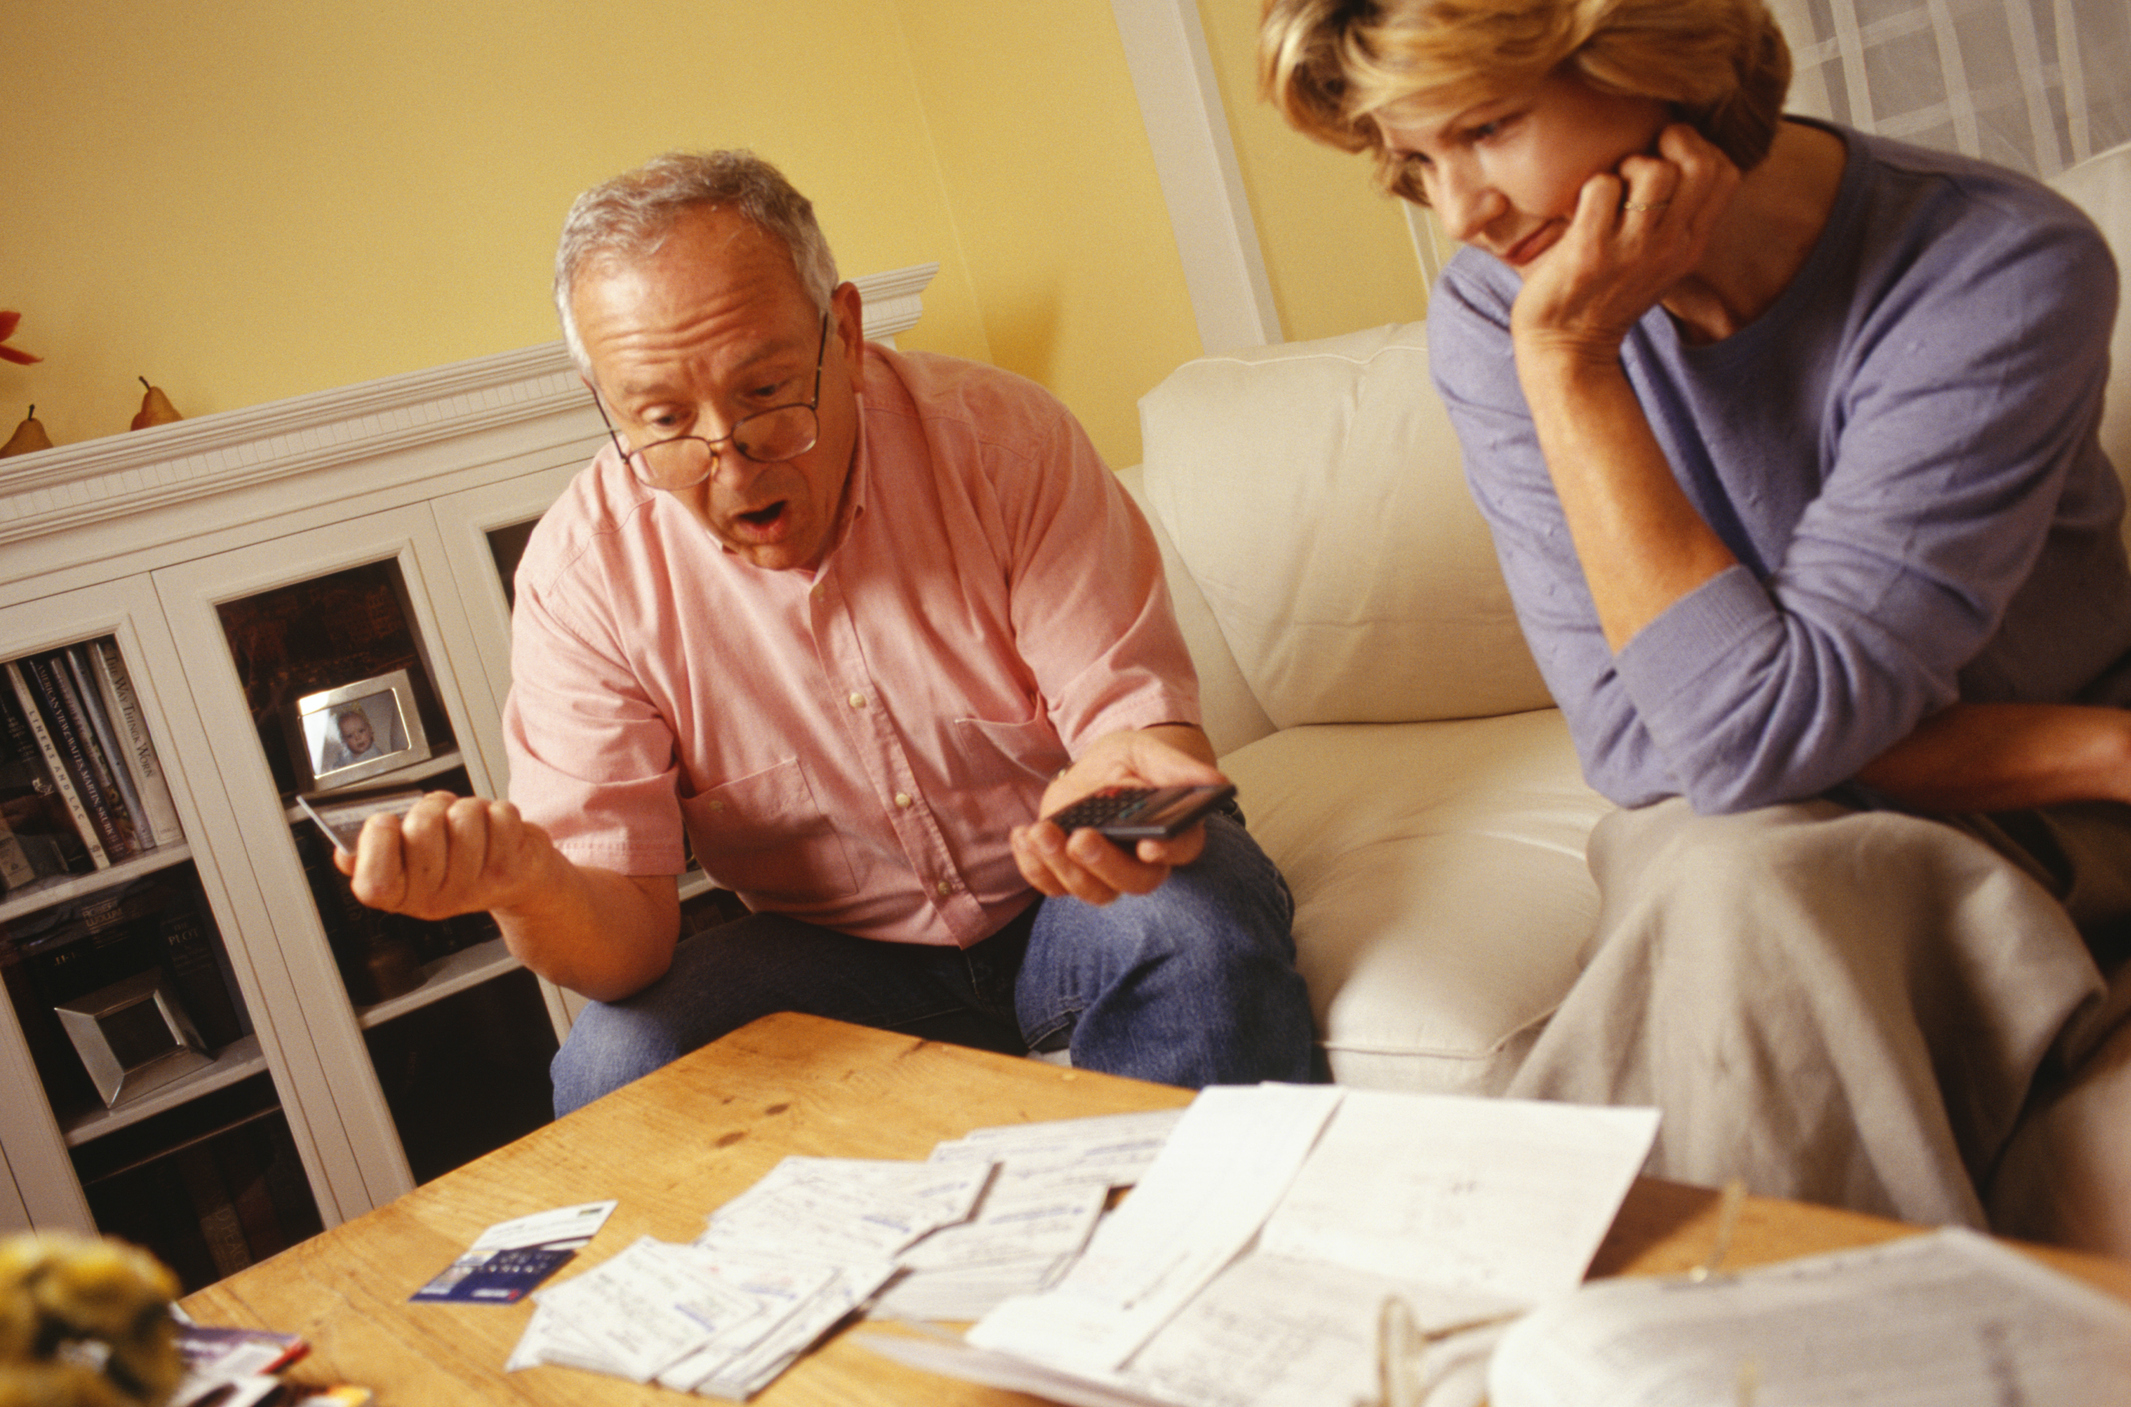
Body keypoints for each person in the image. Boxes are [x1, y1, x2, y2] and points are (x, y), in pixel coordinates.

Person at [1261, 0, 2131, 1249]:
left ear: (1654, 59)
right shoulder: (1499, 316)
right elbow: (1641, 745)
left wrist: (1568, 360)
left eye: (1489, 129)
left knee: (1746, 871)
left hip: (2019, 838)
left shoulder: (1992, 266)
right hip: (1816, 819)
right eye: (1415, 163)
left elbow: (1733, 745)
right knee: (1743, 861)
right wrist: (2094, 746)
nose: (1462, 215)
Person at [336, 150, 1314, 1113]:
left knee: (1191, 906)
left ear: (841, 331)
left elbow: (1136, 738)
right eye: (666, 420)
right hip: (842, 964)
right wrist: (525, 881)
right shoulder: (581, 576)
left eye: (765, 393)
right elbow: (624, 944)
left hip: (1066, 899)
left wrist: (1123, 792)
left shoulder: (1008, 444)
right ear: (606, 406)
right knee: (612, 1061)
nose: (733, 463)